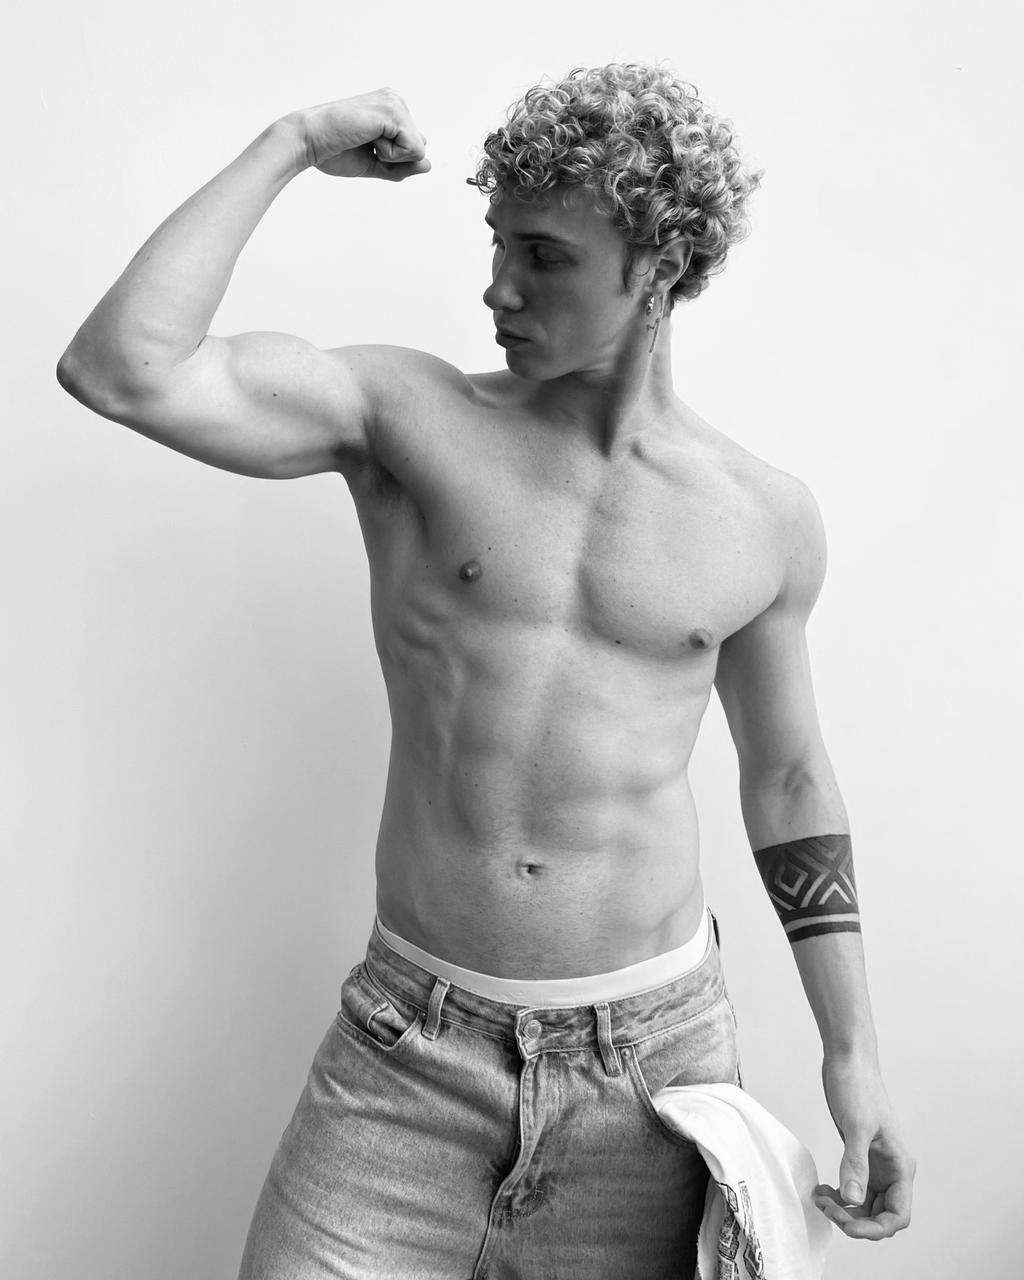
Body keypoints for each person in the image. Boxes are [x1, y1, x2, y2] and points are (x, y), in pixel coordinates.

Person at [56, 63, 915, 1278]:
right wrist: (290, 139)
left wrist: (852, 1053)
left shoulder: (760, 518)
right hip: (407, 1057)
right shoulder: (409, 419)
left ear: (660, 264)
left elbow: (788, 781)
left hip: (652, 1080)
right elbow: (120, 369)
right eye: (497, 241)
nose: (497, 285)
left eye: (545, 255)